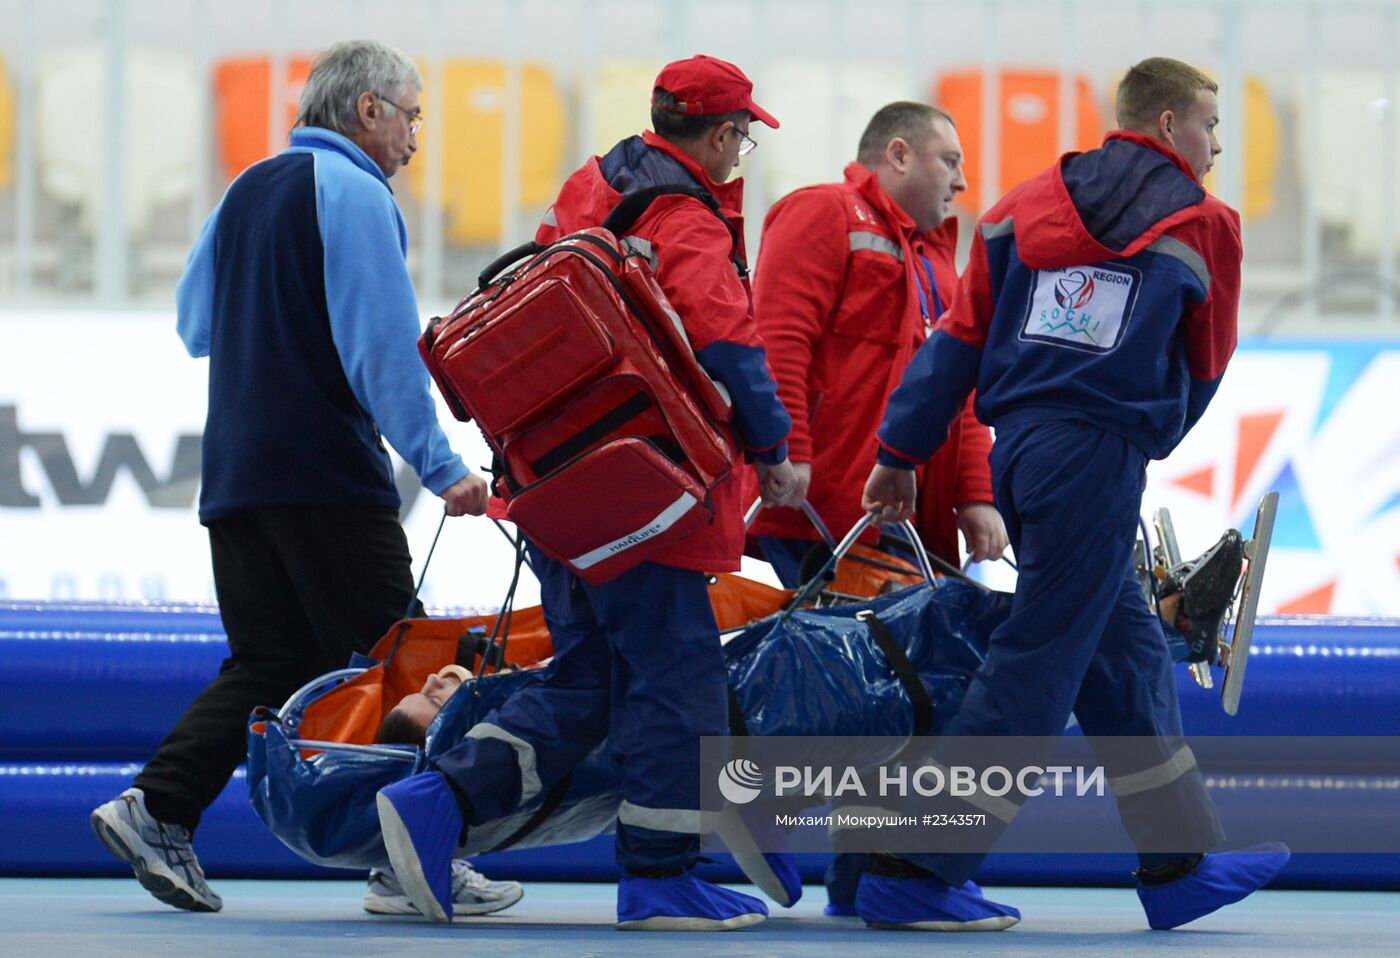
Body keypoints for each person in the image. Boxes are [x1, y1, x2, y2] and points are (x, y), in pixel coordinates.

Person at [859, 57, 1289, 932]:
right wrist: (1147, 431)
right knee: (1038, 662)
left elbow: (960, 340)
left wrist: (899, 447)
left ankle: (1178, 863)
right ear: (1168, 126)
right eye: (1209, 125)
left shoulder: (1021, 207)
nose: (1215, 146)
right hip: (1094, 455)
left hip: (1020, 452)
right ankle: (914, 861)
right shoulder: (1204, 224)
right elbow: (1207, 362)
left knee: (1124, 650)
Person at [373, 54, 800, 931]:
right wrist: (777, 448)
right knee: (677, 680)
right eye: (743, 136)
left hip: (560, 489)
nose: (743, 151)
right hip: (651, 491)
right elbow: (726, 340)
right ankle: (659, 876)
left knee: (592, 680)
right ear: (720, 135)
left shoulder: (588, 187)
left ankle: (437, 802)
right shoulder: (684, 214)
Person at [88, 40, 511, 918]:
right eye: (412, 114)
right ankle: (411, 860)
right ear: (368, 112)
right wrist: (442, 466)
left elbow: (195, 326)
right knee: (403, 665)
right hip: (326, 477)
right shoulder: (357, 195)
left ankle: (157, 806)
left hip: (237, 475)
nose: (415, 137)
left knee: (270, 663)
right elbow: (380, 352)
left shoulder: (248, 186)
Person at [750, 102, 1007, 591]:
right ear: (899, 154)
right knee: (855, 656)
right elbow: (779, 339)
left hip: (900, 515)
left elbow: (960, 388)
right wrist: (789, 452)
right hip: (824, 502)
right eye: (950, 161)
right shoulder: (823, 211)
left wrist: (976, 494)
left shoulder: (937, 261)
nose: (962, 184)